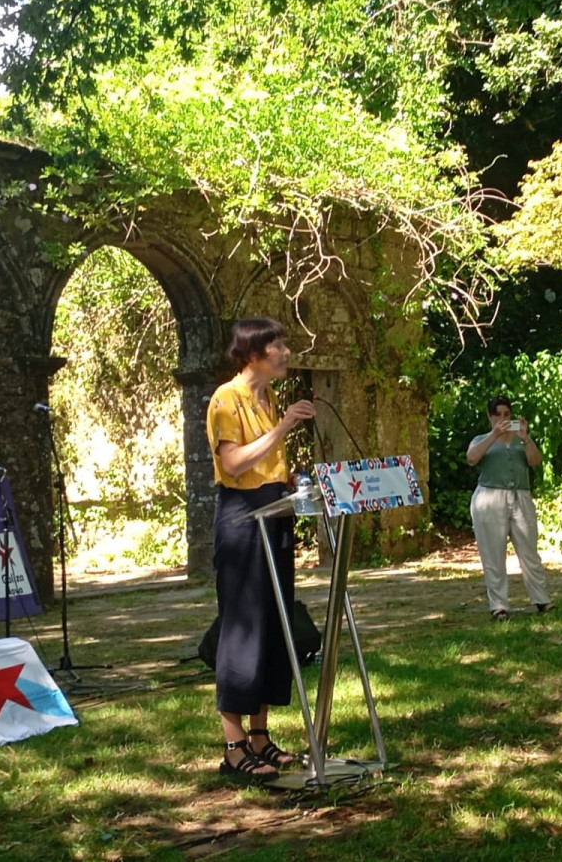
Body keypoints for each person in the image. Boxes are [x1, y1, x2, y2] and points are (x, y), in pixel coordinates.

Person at [206, 318, 315, 783]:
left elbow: (266, 463)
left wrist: (292, 483)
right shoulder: (225, 399)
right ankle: (232, 748)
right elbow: (233, 463)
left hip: (274, 515)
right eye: (279, 344)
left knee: (272, 625)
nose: (287, 351)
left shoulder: (268, 400)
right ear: (254, 352)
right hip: (241, 521)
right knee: (242, 629)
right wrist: (284, 429)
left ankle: (260, 739)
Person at [466, 396, 553, 621]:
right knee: (493, 553)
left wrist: (525, 439)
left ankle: (541, 599)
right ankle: (498, 606)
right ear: (490, 416)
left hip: (520, 497)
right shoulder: (481, 439)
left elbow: (535, 461)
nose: (503, 419)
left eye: (507, 415)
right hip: (489, 498)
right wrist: (494, 434)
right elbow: (472, 458)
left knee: (529, 550)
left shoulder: (520, 440)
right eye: (499, 415)